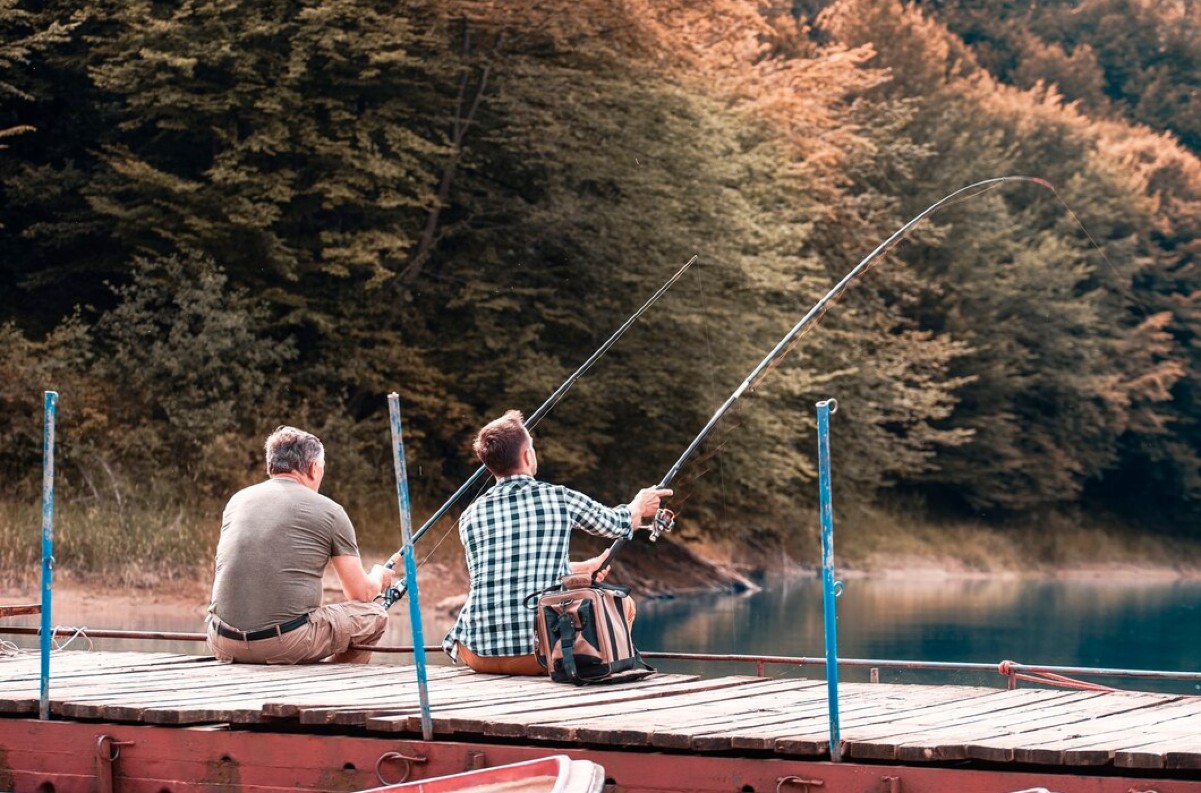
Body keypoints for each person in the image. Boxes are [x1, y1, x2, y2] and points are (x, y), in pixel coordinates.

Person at [442, 410, 671, 675]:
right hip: (540, 655)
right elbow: (618, 523)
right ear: (528, 455)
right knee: (623, 604)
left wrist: (584, 567)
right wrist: (640, 504)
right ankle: (598, 669)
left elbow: (508, 570)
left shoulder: (470, 515)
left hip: (477, 654)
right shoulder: (558, 498)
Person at [206, 425, 398, 664]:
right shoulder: (331, 511)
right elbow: (360, 594)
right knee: (373, 615)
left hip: (221, 641)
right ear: (313, 468)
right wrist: (379, 576)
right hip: (284, 644)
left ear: (271, 465)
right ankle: (335, 686)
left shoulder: (238, 500)